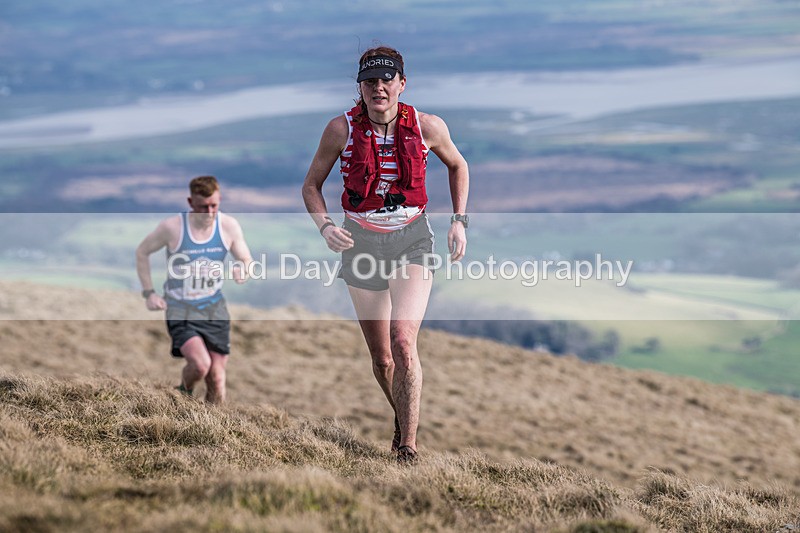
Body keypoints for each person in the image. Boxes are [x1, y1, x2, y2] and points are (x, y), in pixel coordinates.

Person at [301, 46, 469, 463]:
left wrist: (459, 221)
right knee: (382, 358)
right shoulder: (340, 130)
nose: (379, 87)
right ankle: (402, 418)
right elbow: (311, 186)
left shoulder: (428, 126)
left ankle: (408, 448)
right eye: (370, 81)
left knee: (402, 341)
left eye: (386, 79)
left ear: (401, 83)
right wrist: (326, 227)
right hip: (360, 242)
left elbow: (458, 165)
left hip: (412, 239)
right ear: (359, 86)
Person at [136, 176, 254, 404]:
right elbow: (142, 252)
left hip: (214, 309)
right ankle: (183, 393)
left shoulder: (228, 225)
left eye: (214, 205)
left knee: (217, 378)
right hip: (181, 309)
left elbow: (246, 258)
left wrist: (243, 269)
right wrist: (149, 293)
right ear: (191, 202)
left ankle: (212, 428)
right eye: (203, 207)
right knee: (201, 365)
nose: (209, 213)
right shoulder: (172, 228)